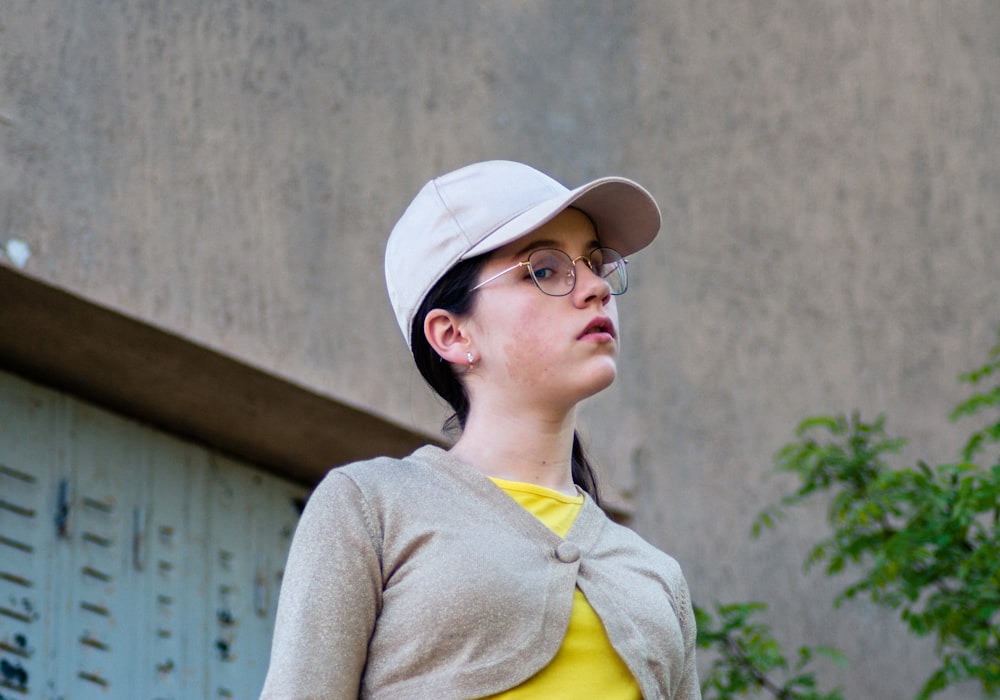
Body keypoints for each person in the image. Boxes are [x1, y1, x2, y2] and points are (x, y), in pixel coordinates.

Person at [259, 160, 700, 699]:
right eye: (544, 270)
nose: (594, 288)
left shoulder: (656, 577)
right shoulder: (371, 508)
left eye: (595, 263)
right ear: (451, 334)